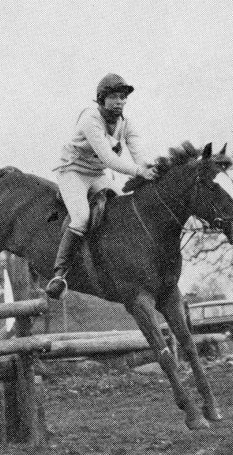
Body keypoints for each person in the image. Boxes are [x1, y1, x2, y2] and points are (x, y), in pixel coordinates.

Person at [45, 73, 159, 299]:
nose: (120, 102)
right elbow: (109, 158)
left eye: (123, 97)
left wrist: (150, 168)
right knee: (81, 217)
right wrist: (138, 172)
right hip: (73, 171)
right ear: (101, 99)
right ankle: (59, 273)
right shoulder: (90, 119)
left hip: (96, 174)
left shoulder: (125, 123)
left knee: (122, 208)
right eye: (114, 97)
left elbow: (138, 153)